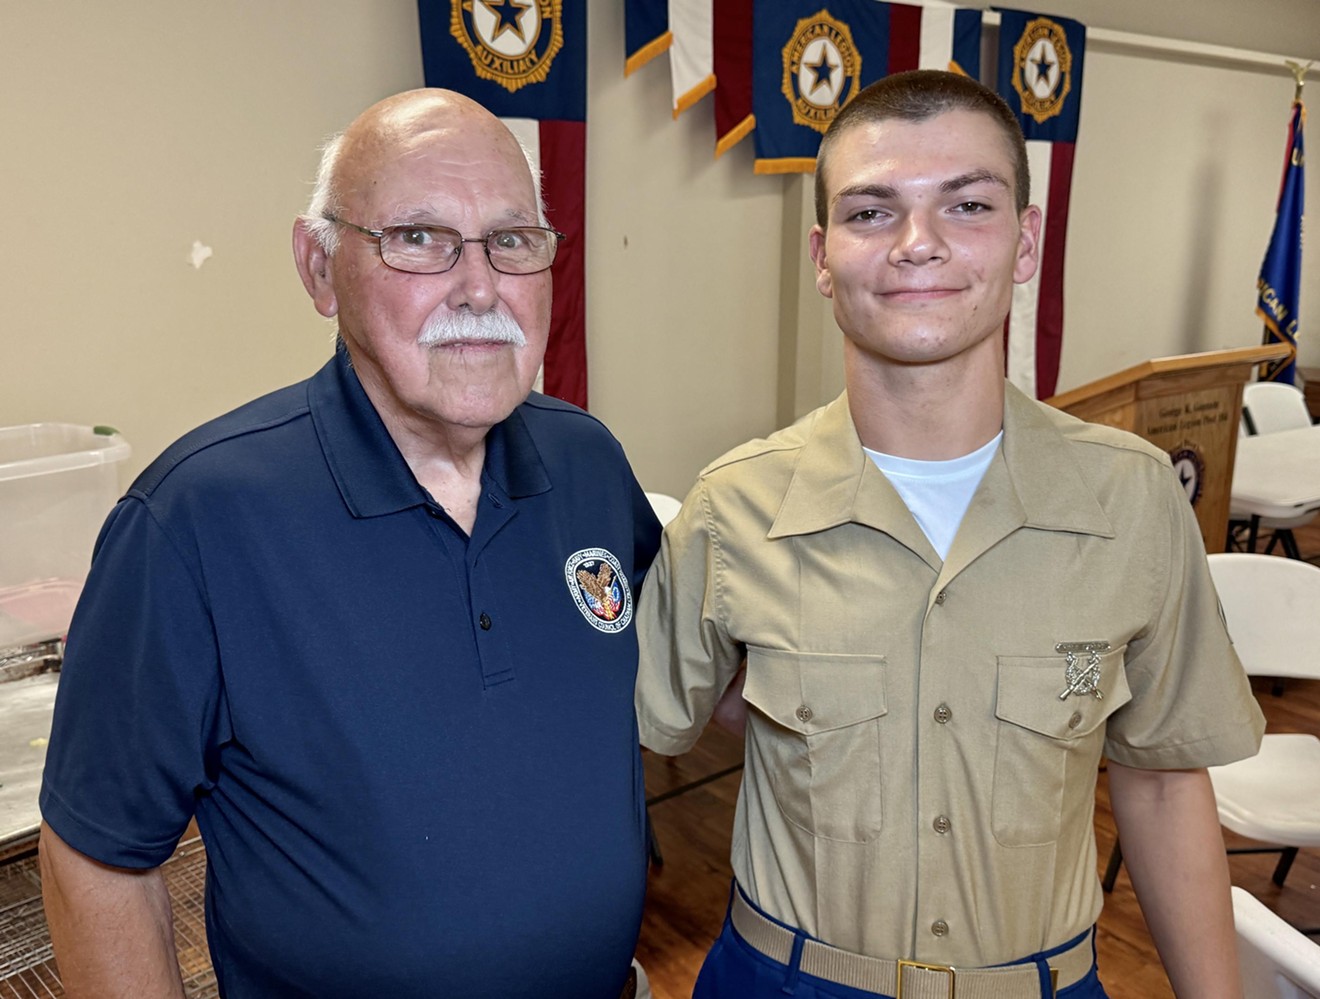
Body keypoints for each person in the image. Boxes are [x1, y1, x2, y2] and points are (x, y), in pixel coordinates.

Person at [635, 70, 1264, 999]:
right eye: (871, 212)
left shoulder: (1132, 502)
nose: (918, 245)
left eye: (967, 204)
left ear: (1026, 239)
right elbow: (665, 723)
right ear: (823, 254)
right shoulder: (735, 509)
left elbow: (1165, 782)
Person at [39, 89, 660, 999]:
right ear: (319, 267)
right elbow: (98, 852)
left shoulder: (588, 459)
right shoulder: (194, 521)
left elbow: (672, 675)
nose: (480, 287)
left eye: (513, 240)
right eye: (418, 237)